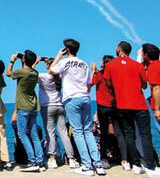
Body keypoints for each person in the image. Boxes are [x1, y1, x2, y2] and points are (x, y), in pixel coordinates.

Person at [104, 41, 160, 176]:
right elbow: (144, 85)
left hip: (122, 104)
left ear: (119, 49)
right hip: (139, 104)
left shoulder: (110, 65)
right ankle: (151, 164)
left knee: (129, 134)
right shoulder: (137, 65)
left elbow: (108, 82)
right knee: (145, 135)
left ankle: (136, 164)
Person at [49, 39, 105, 176]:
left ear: (66, 49)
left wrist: (58, 56)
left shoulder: (64, 62)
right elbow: (89, 83)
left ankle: (87, 165)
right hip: (85, 97)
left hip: (72, 98)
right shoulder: (84, 64)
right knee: (88, 131)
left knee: (78, 132)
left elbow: (51, 70)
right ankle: (98, 164)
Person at [37, 57, 78, 170]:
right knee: (63, 133)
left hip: (48, 107)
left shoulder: (43, 77)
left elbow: (30, 72)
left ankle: (52, 158)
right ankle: (71, 159)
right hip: (60, 106)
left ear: (48, 66)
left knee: (50, 133)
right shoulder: (61, 77)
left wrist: (36, 61)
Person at [7, 50, 45, 172]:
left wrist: (12, 60)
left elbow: (9, 74)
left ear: (23, 60)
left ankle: (32, 161)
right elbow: (29, 70)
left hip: (23, 107)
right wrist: (27, 62)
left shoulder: (20, 72)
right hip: (33, 106)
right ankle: (40, 161)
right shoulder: (35, 72)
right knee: (34, 135)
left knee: (22, 134)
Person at [91, 55, 129, 169]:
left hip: (102, 107)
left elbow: (91, 82)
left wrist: (94, 71)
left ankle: (104, 158)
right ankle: (125, 160)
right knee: (120, 133)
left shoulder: (100, 74)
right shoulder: (116, 75)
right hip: (115, 106)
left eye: (102, 60)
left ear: (104, 63)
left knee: (104, 133)